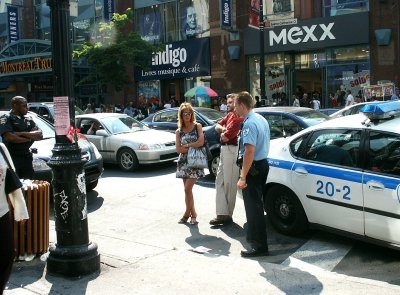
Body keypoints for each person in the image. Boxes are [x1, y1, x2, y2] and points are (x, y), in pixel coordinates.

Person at [235, 91, 270, 258]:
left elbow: (249, 151)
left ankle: (259, 246)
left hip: (253, 168)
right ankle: (255, 238)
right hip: (262, 165)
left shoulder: (249, 123)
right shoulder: (260, 118)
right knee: (257, 205)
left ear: (242, 105)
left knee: (253, 208)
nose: (234, 108)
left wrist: (243, 177)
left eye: (235, 105)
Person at [209, 94, 244, 226]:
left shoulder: (237, 120)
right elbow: (217, 126)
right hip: (224, 150)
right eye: (228, 102)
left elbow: (223, 138)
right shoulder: (230, 116)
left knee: (229, 184)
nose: (228, 104)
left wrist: (222, 132)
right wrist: (223, 130)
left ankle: (227, 214)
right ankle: (222, 213)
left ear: (237, 104)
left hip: (231, 150)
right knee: (219, 181)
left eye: (231, 102)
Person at [0, 143, 29, 294]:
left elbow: (11, 181)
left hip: (2, 213)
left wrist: (21, 210)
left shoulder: (1, 148)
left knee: (6, 255)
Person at [175, 103, 205, 225]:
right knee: (187, 191)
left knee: (188, 188)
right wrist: (193, 147)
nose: (187, 115)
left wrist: (187, 146)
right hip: (183, 163)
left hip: (195, 162)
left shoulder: (198, 126)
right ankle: (193, 214)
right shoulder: (179, 131)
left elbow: (201, 142)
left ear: (192, 114)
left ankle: (186, 213)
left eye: (189, 113)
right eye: (184, 113)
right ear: (181, 115)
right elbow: (178, 149)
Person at [0, 96, 43, 179]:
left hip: (26, 157)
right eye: (24, 106)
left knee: (29, 185)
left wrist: (20, 133)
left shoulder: (28, 119)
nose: (27, 108)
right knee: (15, 187)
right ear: (15, 106)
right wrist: (30, 137)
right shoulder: (6, 118)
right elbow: (10, 137)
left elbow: (39, 135)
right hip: (12, 157)